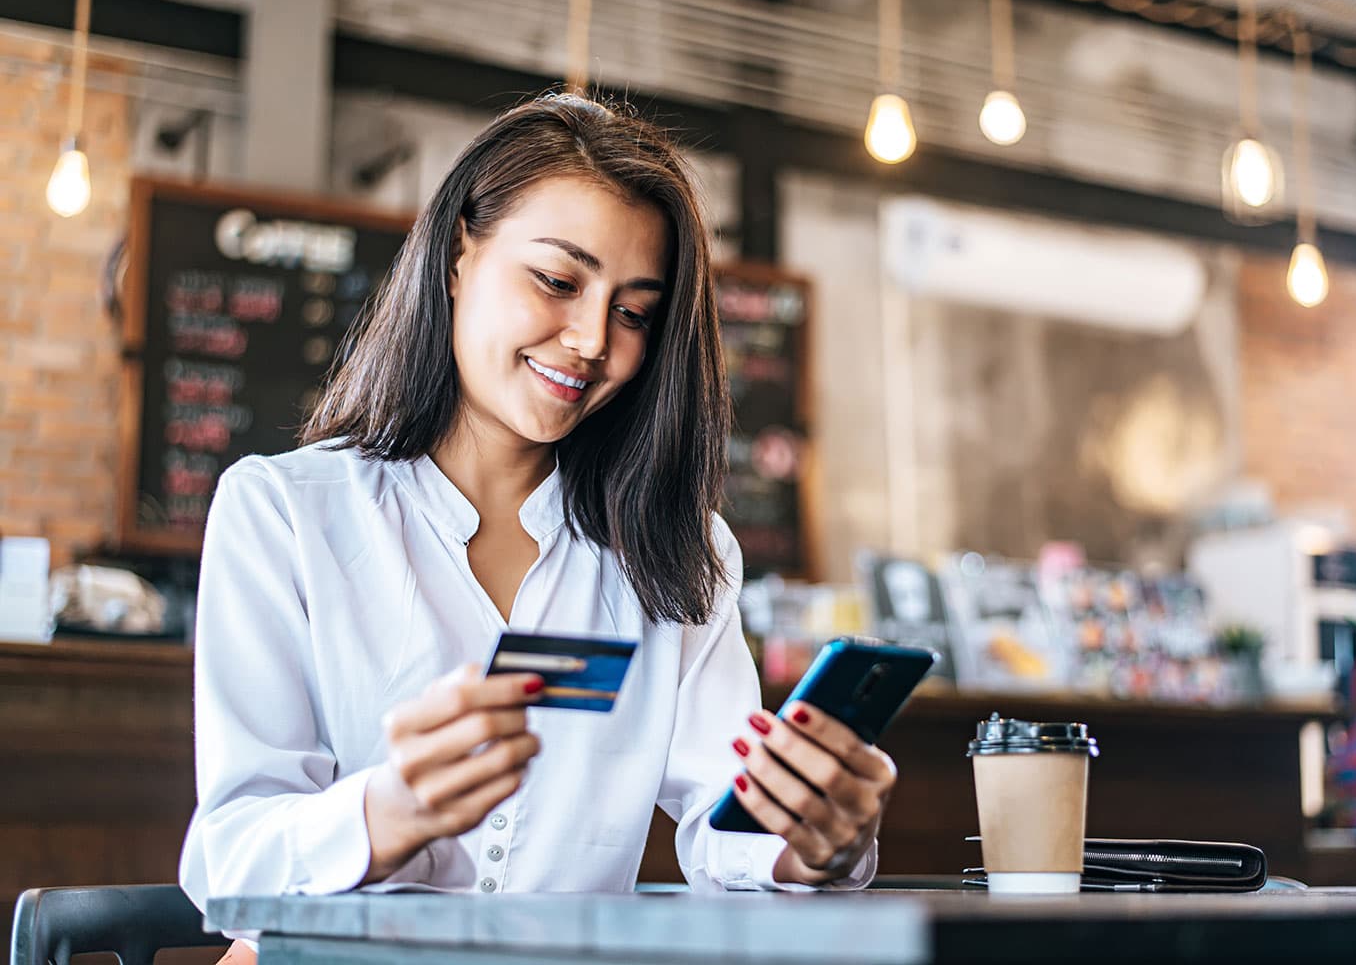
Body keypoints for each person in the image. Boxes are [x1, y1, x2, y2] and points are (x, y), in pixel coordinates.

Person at [180, 94, 894, 963]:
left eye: (633, 312)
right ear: (456, 255)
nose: (592, 339)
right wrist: (387, 811)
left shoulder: (677, 553)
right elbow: (228, 857)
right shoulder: (286, 514)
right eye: (557, 281)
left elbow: (723, 824)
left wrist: (814, 842)